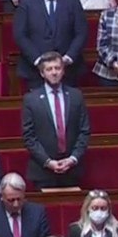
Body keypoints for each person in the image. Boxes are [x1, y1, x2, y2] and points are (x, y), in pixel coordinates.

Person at [12, 0, 86, 89]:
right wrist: (38, 60)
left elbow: (81, 33)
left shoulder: (73, 0)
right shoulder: (27, 1)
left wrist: (68, 58)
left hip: (68, 71)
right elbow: (20, 35)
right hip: (34, 71)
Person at [22, 52, 92, 188]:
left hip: (72, 170)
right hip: (43, 171)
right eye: (49, 69)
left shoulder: (76, 96)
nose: (54, 72)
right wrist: (48, 162)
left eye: (57, 68)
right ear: (42, 73)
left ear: (63, 71)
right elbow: (29, 137)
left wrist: (73, 159)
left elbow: (84, 131)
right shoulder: (31, 99)